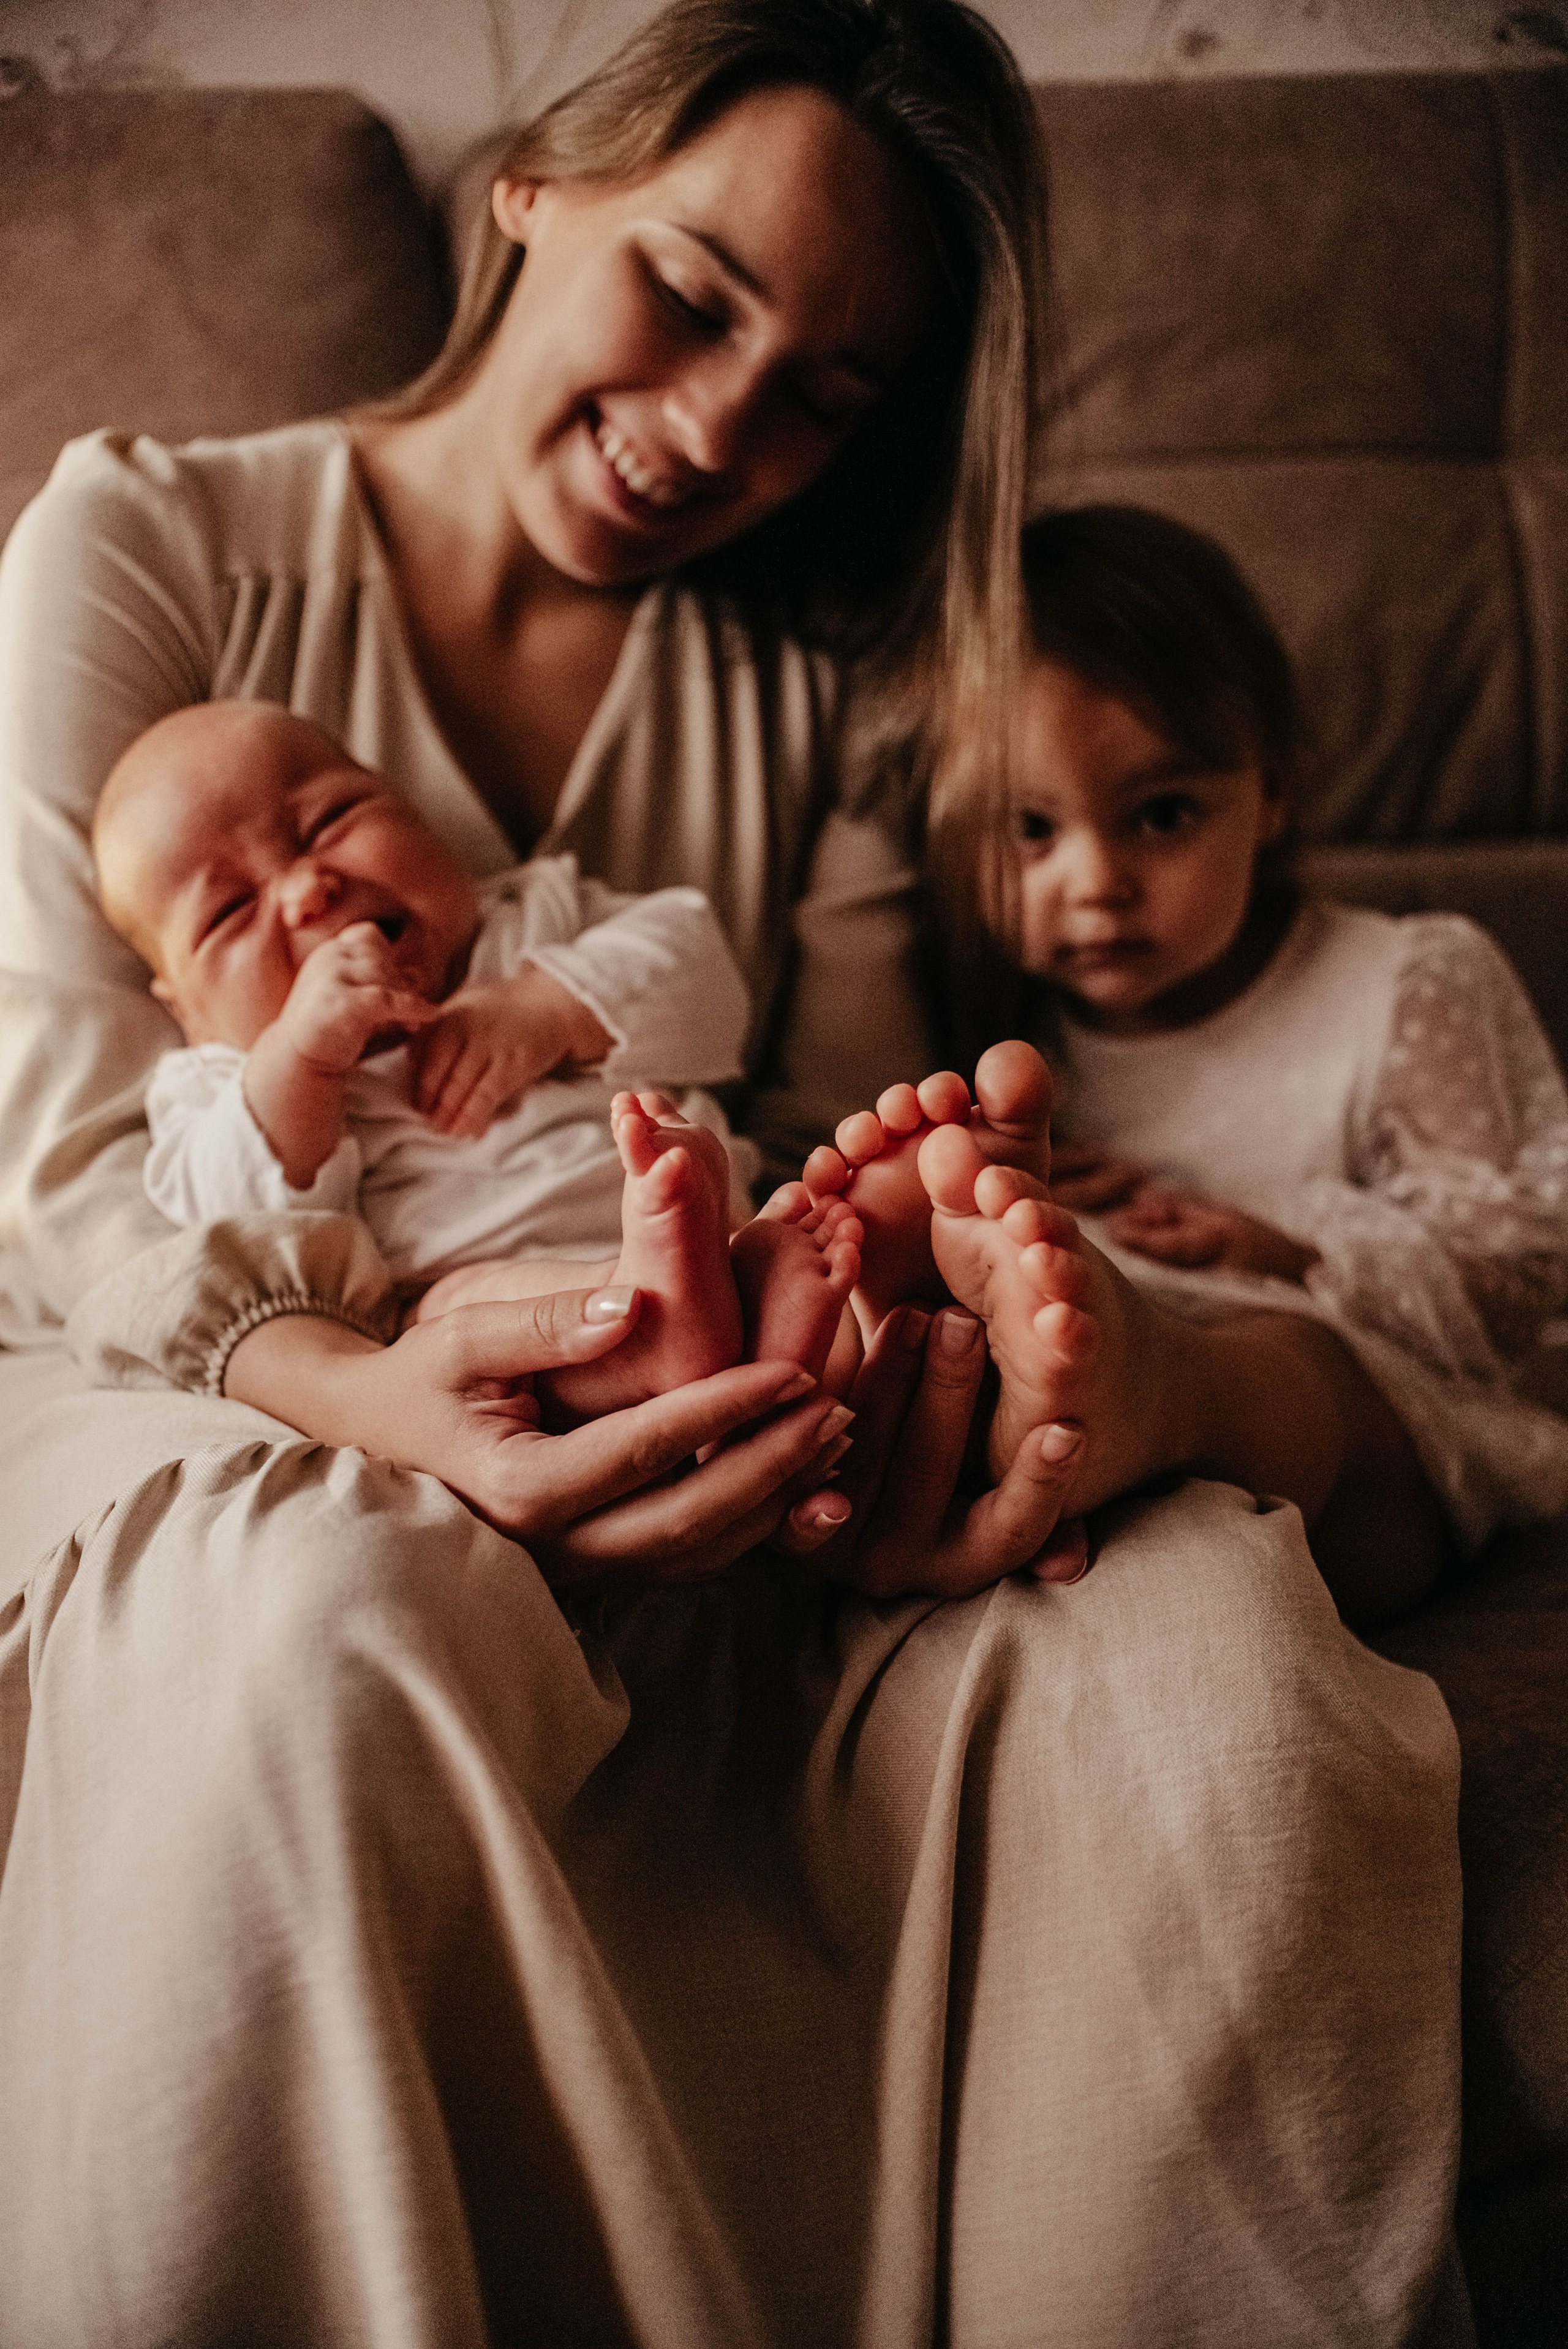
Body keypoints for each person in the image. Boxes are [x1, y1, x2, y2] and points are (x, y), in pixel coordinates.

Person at [0, 7, 1467, 2344]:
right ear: (532, 192)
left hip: (630, 1257)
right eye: (690, 293)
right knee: (321, 1627)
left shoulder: (804, 688)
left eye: (822, 391)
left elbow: (817, 1099)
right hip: (189, 1325)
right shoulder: (155, 539)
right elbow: (77, 1156)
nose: (716, 430)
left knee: (1193, 1657)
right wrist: (363, 1389)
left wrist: (921, 1234)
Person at [803, 506, 1568, 1605]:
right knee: (1002, 1315)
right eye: (1028, 831)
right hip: (1095, 1398)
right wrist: (1017, 1207)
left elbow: (1514, 1270)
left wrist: (1282, 1245)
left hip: (1370, 1428)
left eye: (1161, 816)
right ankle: (1008, 1423)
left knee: (1283, 1369)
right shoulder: (1007, 1028)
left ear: (1273, 792)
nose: (1095, 882)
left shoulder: (1404, 980)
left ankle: (1147, 1405)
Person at [96, 699, 862, 1417]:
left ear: (415, 810)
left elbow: (704, 977)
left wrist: (549, 1007)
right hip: (483, 1294)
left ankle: (782, 1313)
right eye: (230, 912)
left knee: (837, 1211)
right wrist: (299, 1060)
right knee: (455, 1311)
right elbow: (232, 1234)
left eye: (328, 821)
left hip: (723, 1217)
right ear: (184, 1009)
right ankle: (647, 1327)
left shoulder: (535, 917)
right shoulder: (222, 1079)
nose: (307, 890)